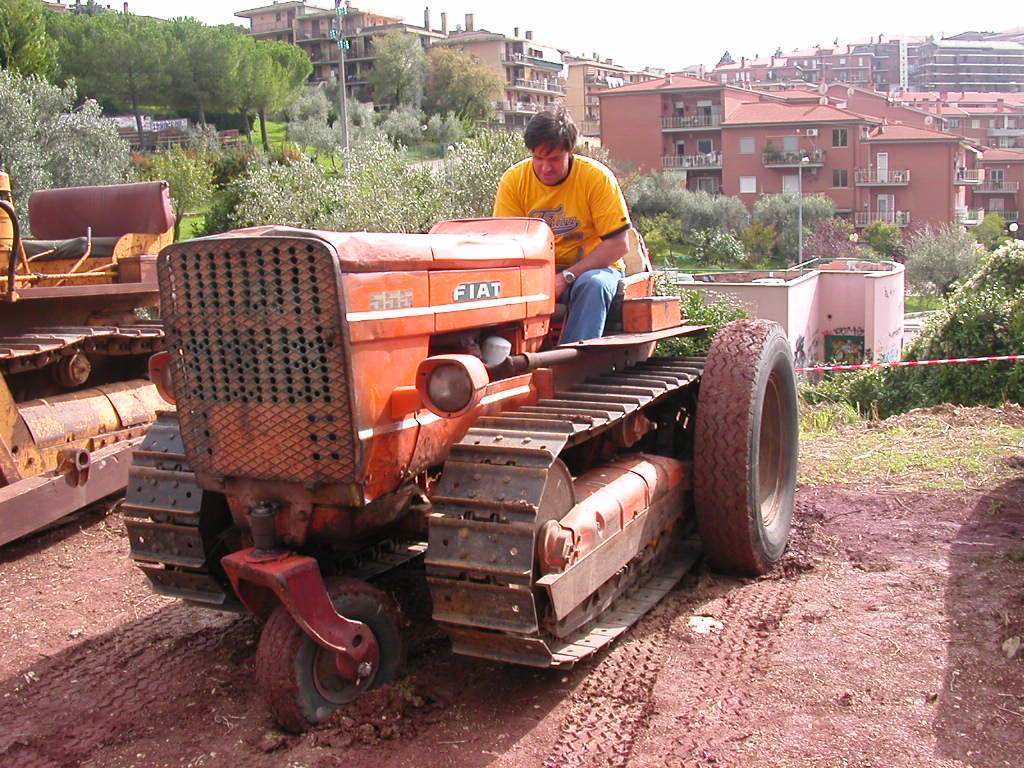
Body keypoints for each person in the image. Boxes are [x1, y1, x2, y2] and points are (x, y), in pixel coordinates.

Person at [493, 109, 632, 343]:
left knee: (593, 285)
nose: (546, 168)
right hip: (538, 272)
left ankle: (576, 356)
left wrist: (566, 277)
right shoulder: (513, 180)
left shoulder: (597, 178)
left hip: (594, 269)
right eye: (538, 158)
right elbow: (506, 244)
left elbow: (618, 244)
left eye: (554, 159)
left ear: (570, 152)